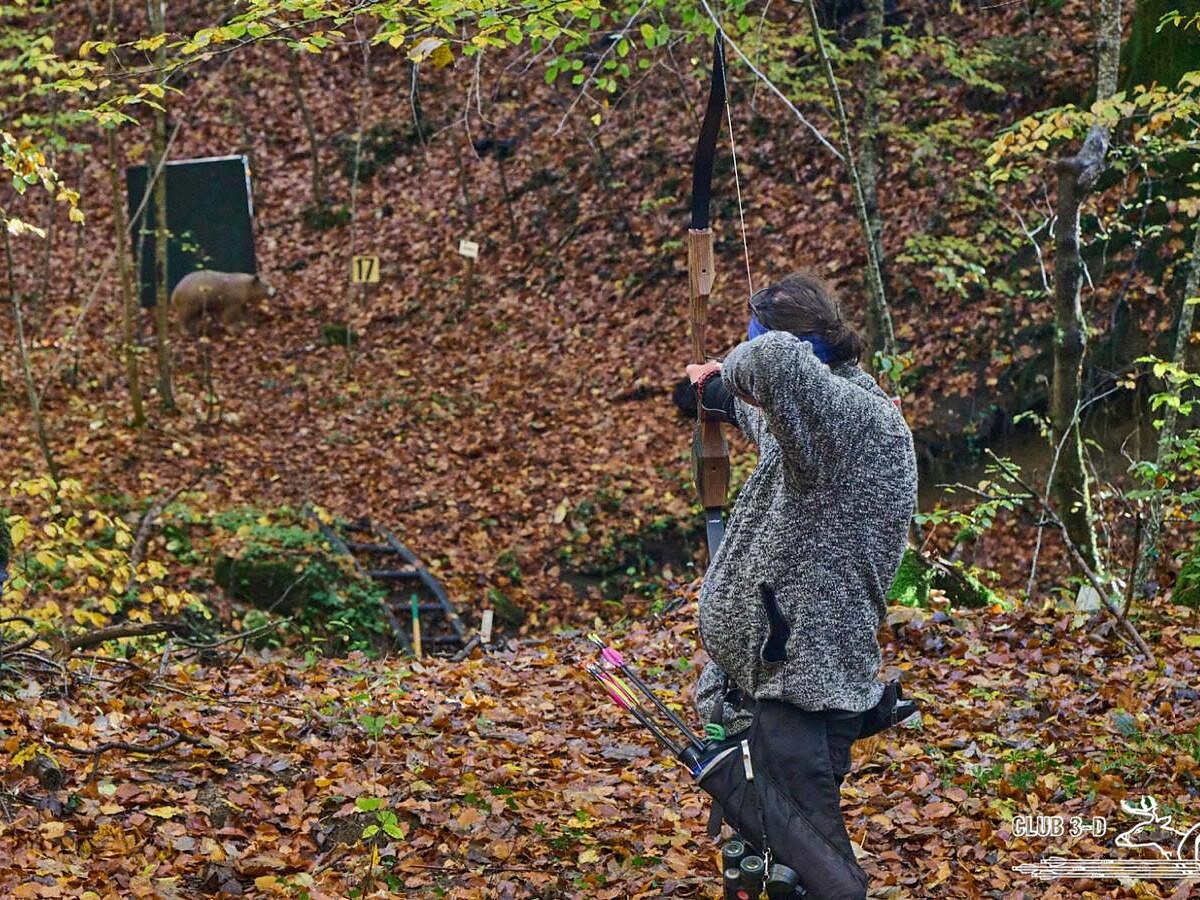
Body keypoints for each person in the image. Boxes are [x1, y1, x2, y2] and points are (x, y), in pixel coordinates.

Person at [686, 271, 917, 897]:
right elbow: (775, 422)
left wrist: (729, 369)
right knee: (766, 854)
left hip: (801, 689)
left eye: (750, 333)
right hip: (770, 681)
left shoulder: (860, 420)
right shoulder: (827, 414)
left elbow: (773, 365)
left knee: (813, 874)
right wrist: (722, 401)